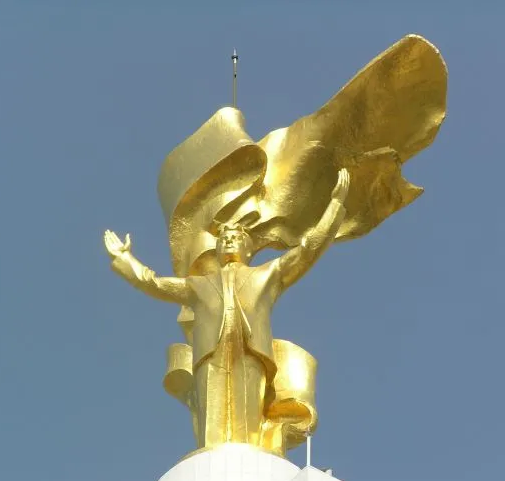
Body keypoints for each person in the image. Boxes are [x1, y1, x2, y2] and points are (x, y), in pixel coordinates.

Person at [104, 169, 350, 449]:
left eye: (235, 237)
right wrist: (124, 260)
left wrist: (335, 206)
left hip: (252, 350)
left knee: (249, 427)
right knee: (211, 426)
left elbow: (307, 250)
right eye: (223, 239)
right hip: (210, 351)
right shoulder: (199, 285)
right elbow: (155, 283)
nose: (229, 240)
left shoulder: (267, 275)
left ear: (249, 247)